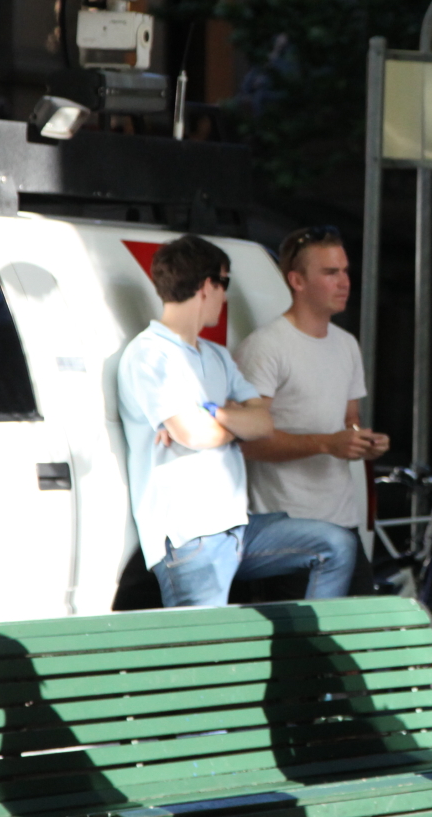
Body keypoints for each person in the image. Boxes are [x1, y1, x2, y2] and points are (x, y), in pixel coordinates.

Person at [116, 234, 361, 607]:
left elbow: (263, 422)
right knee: (206, 653)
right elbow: (194, 434)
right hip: (191, 533)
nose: (225, 296)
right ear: (206, 286)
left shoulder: (216, 355)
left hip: (237, 526)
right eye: (224, 283)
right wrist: (228, 422)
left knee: (337, 544)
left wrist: (216, 414)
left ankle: (308, 661)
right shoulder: (150, 355)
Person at [238, 226, 389, 568]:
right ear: (297, 281)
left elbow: (350, 420)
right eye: (330, 272)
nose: (344, 281)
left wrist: (363, 441)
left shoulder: (347, 344)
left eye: (345, 271)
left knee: (360, 622)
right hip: (287, 529)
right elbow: (248, 443)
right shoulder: (266, 346)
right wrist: (326, 444)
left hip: (343, 520)